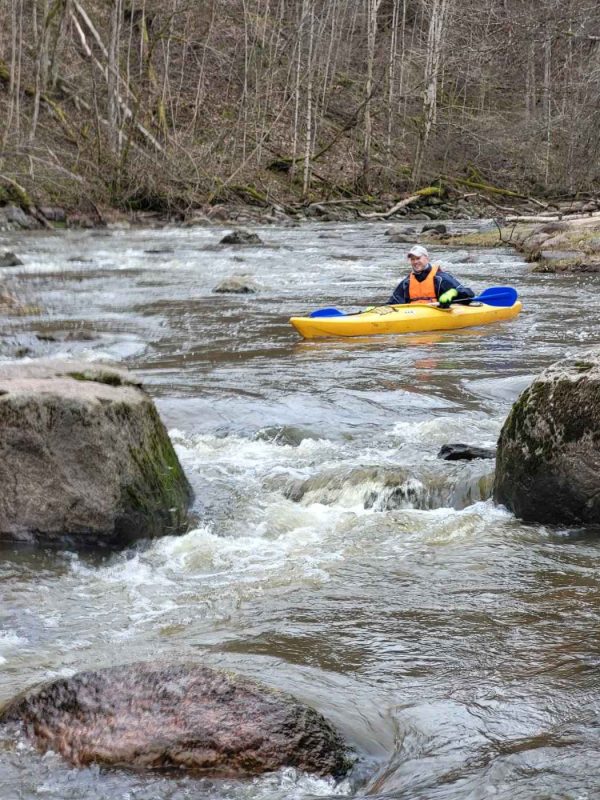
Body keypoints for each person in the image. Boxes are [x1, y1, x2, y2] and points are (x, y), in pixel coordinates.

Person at [387, 245, 474, 307]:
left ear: (427, 259)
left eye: (418, 258)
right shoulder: (407, 282)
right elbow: (393, 302)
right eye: (412, 259)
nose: (415, 262)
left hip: (437, 313)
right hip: (414, 316)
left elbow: (469, 294)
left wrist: (452, 293)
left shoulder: (440, 278)